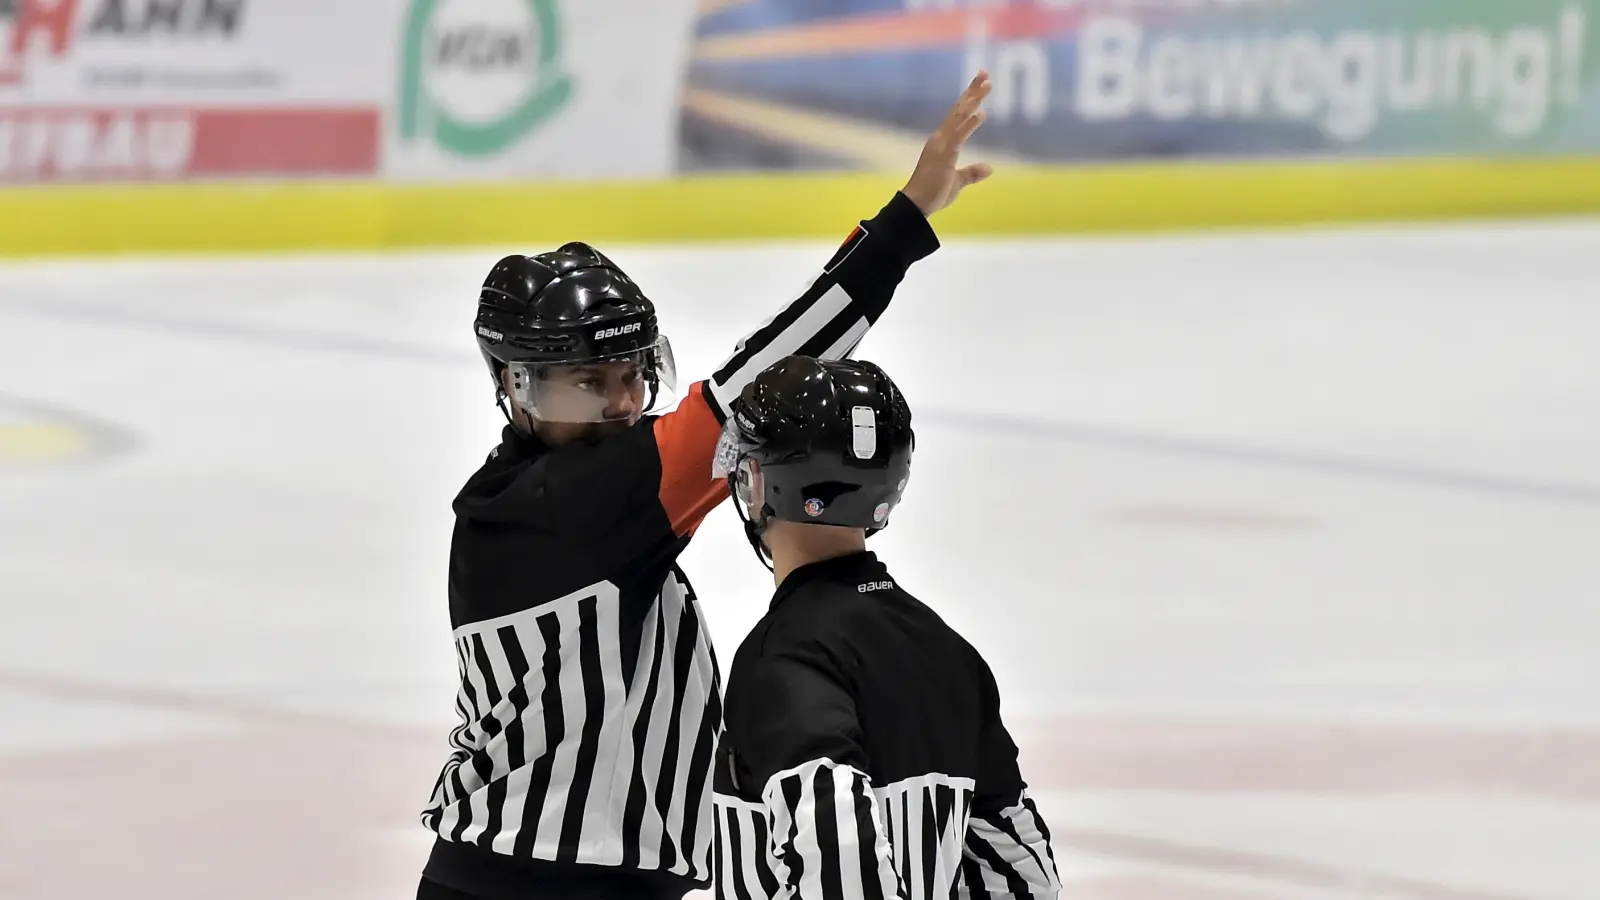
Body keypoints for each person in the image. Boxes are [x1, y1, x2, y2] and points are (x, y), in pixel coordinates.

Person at [416, 73, 997, 900]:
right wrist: (901, 226)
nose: (621, 404)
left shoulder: (540, 499)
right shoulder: (563, 509)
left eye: (635, 376)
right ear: (514, 386)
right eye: (588, 381)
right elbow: (755, 386)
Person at [706, 356, 1062, 900]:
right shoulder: (947, 651)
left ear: (758, 483)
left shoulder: (780, 661)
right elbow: (1021, 873)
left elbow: (840, 865)